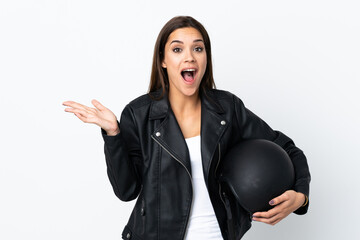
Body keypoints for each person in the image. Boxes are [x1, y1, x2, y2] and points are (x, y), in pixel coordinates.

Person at [63, 16, 310, 240]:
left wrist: (300, 197)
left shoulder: (227, 109)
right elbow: (126, 190)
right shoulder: (139, 115)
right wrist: (113, 134)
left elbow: (288, 149)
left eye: (198, 48)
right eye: (178, 49)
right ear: (163, 60)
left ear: (205, 58)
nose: (189, 57)